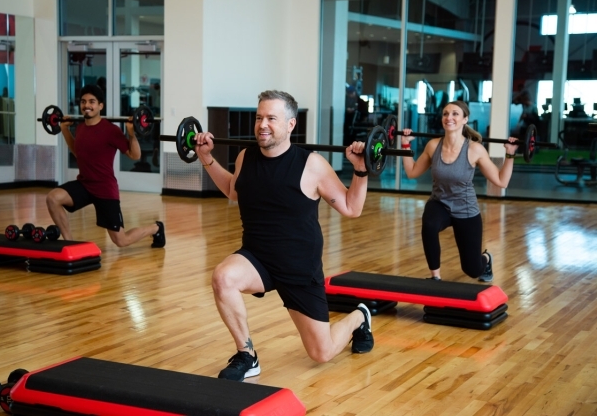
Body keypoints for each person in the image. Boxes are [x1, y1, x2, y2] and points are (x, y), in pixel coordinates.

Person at [194, 90, 374, 382]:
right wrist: (206, 158)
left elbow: (352, 208)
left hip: (299, 268)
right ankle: (246, 355)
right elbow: (232, 190)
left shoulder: (311, 164)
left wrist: (361, 171)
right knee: (223, 277)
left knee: (321, 353)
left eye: (271, 118)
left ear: (290, 124)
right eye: (259, 117)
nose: (263, 124)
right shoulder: (245, 157)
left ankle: (359, 317)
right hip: (258, 258)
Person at [399, 100, 518, 282]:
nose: (449, 117)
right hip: (439, 203)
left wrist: (510, 154)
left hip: (466, 209)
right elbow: (412, 172)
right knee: (429, 225)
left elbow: (502, 181)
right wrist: (405, 145)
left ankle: (485, 259)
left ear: (465, 119)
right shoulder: (433, 146)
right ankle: (435, 277)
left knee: (472, 270)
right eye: (446, 114)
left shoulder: (474, 149)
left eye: (455, 114)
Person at [46, 84, 165, 248]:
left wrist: (131, 133)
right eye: (84, 101)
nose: (87, 105)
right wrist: (65, 130)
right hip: (85, 184)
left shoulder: (110, 130)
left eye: (92, 102)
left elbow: (134, 155)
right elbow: (77, 152)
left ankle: (156, 228)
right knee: (53, 198)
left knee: (121, 241)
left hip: (104, 189)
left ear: (100, 106)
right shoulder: (80, 128)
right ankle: (68, 243)